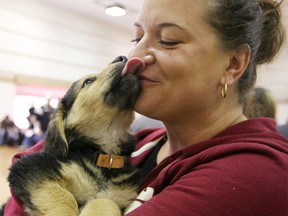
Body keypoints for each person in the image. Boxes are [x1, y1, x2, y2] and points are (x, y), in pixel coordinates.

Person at [2, 0, 288, 215]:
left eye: (168, 41)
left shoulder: (254, 173)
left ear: (233, 63)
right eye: (136, 38)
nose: (135, 57)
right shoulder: (142, 143)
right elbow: (27, 168)